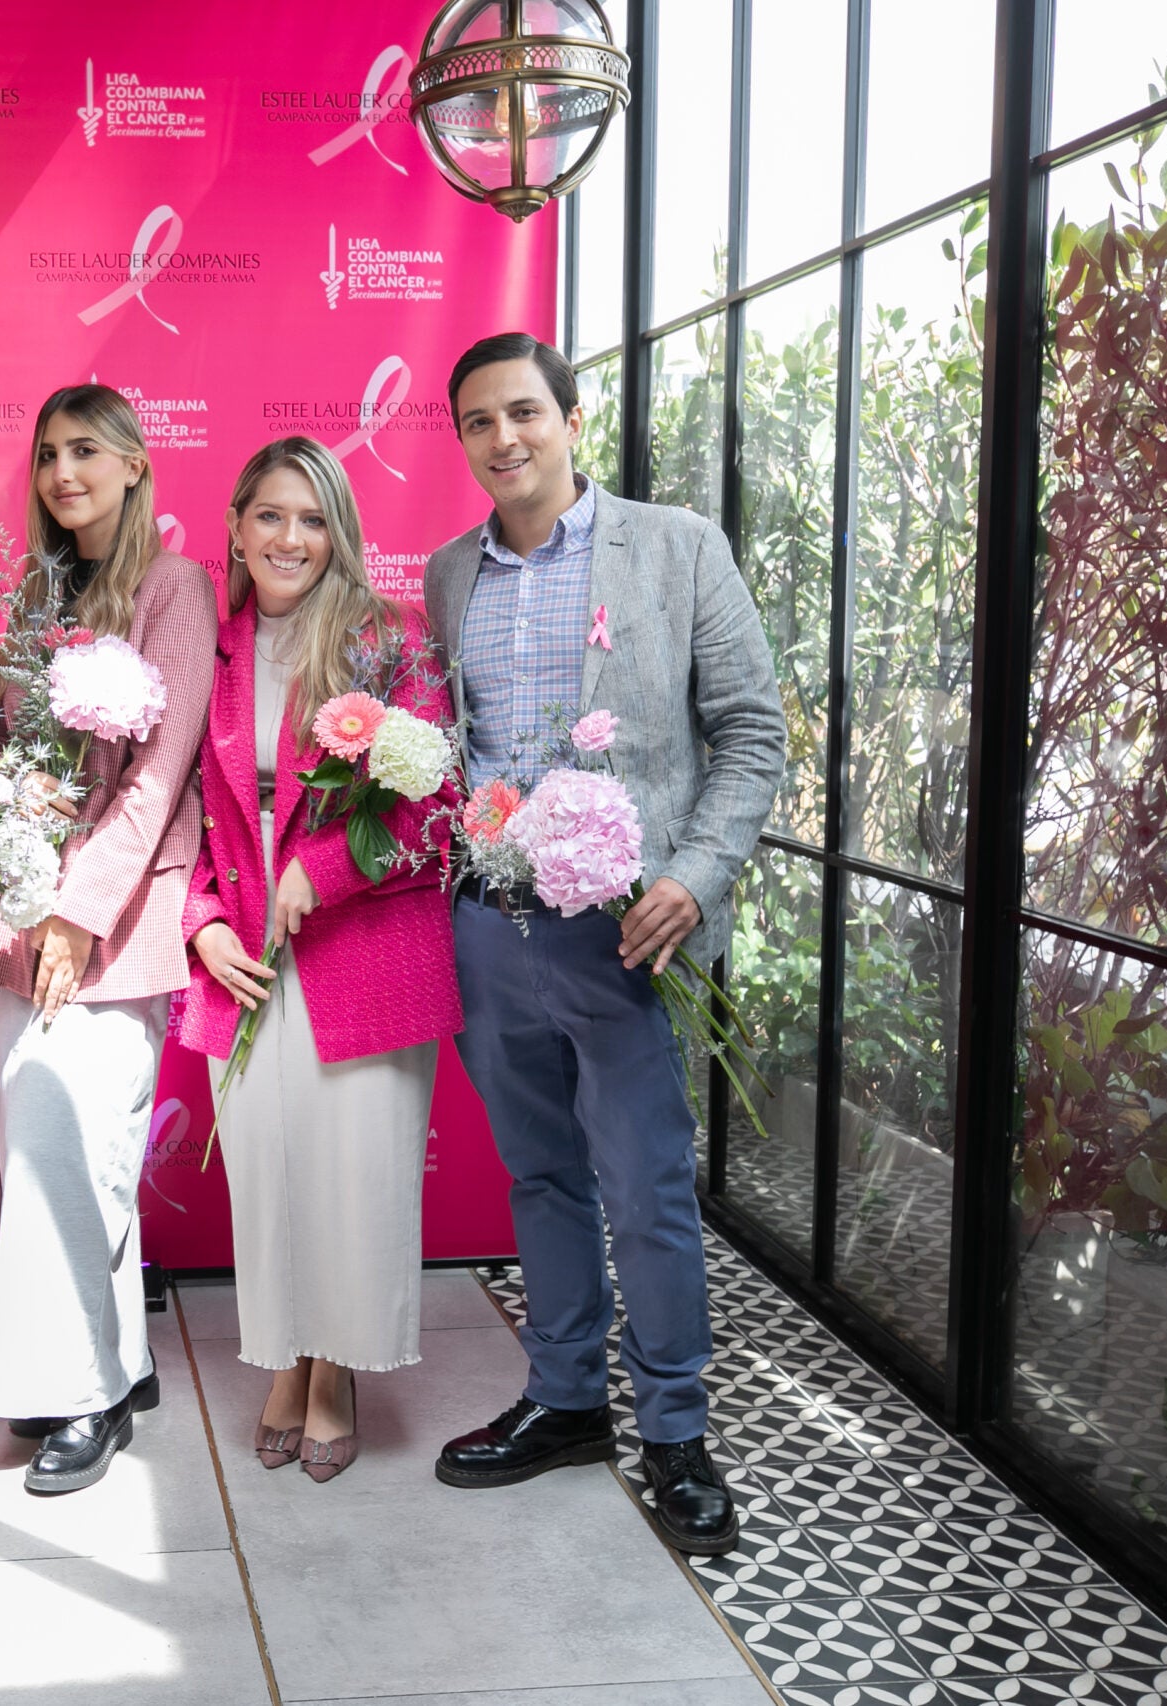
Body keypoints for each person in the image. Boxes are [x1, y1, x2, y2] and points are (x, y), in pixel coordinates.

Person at [422, 333, 783, 1553]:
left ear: (573, 417)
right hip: (491, 928)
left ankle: (675, 1429)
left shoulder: (675, 548)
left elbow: (751, 734)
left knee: (647, 1190)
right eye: (478, 422)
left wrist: (691, 875)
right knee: (540, 1175)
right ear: (462, 440)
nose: (504, 438)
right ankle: (567, 1399)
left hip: (630, 936)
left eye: (524, 411)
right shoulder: (446, 574)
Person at [179, 436, 462, 1484]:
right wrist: (202, 921)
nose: (288, 537)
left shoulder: (390, 641)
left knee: (358, 1163)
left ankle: (337, 1365)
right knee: (270, 1164)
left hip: (366, 938)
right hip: (241, 939)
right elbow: (183, 819)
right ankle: (286, 1352)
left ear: (336, 531)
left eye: (311, 518)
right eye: (269, 516)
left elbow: (433, 802)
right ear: (238, 528)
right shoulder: (210, 650)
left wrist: (326, 867)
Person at [0, 383, 216, 1495]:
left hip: (117, 916)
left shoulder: (175, 587)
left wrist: (79, 912)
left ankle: (79, 1396)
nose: (63, 471)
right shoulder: (34, 598)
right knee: (63, 1150)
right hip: (30, 912)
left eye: (86, 449)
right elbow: (19, 759)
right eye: (49, 453)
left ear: (133, 461)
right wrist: (24, 886)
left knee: (76, 1150)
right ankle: (114, 1361)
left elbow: (159, 775)